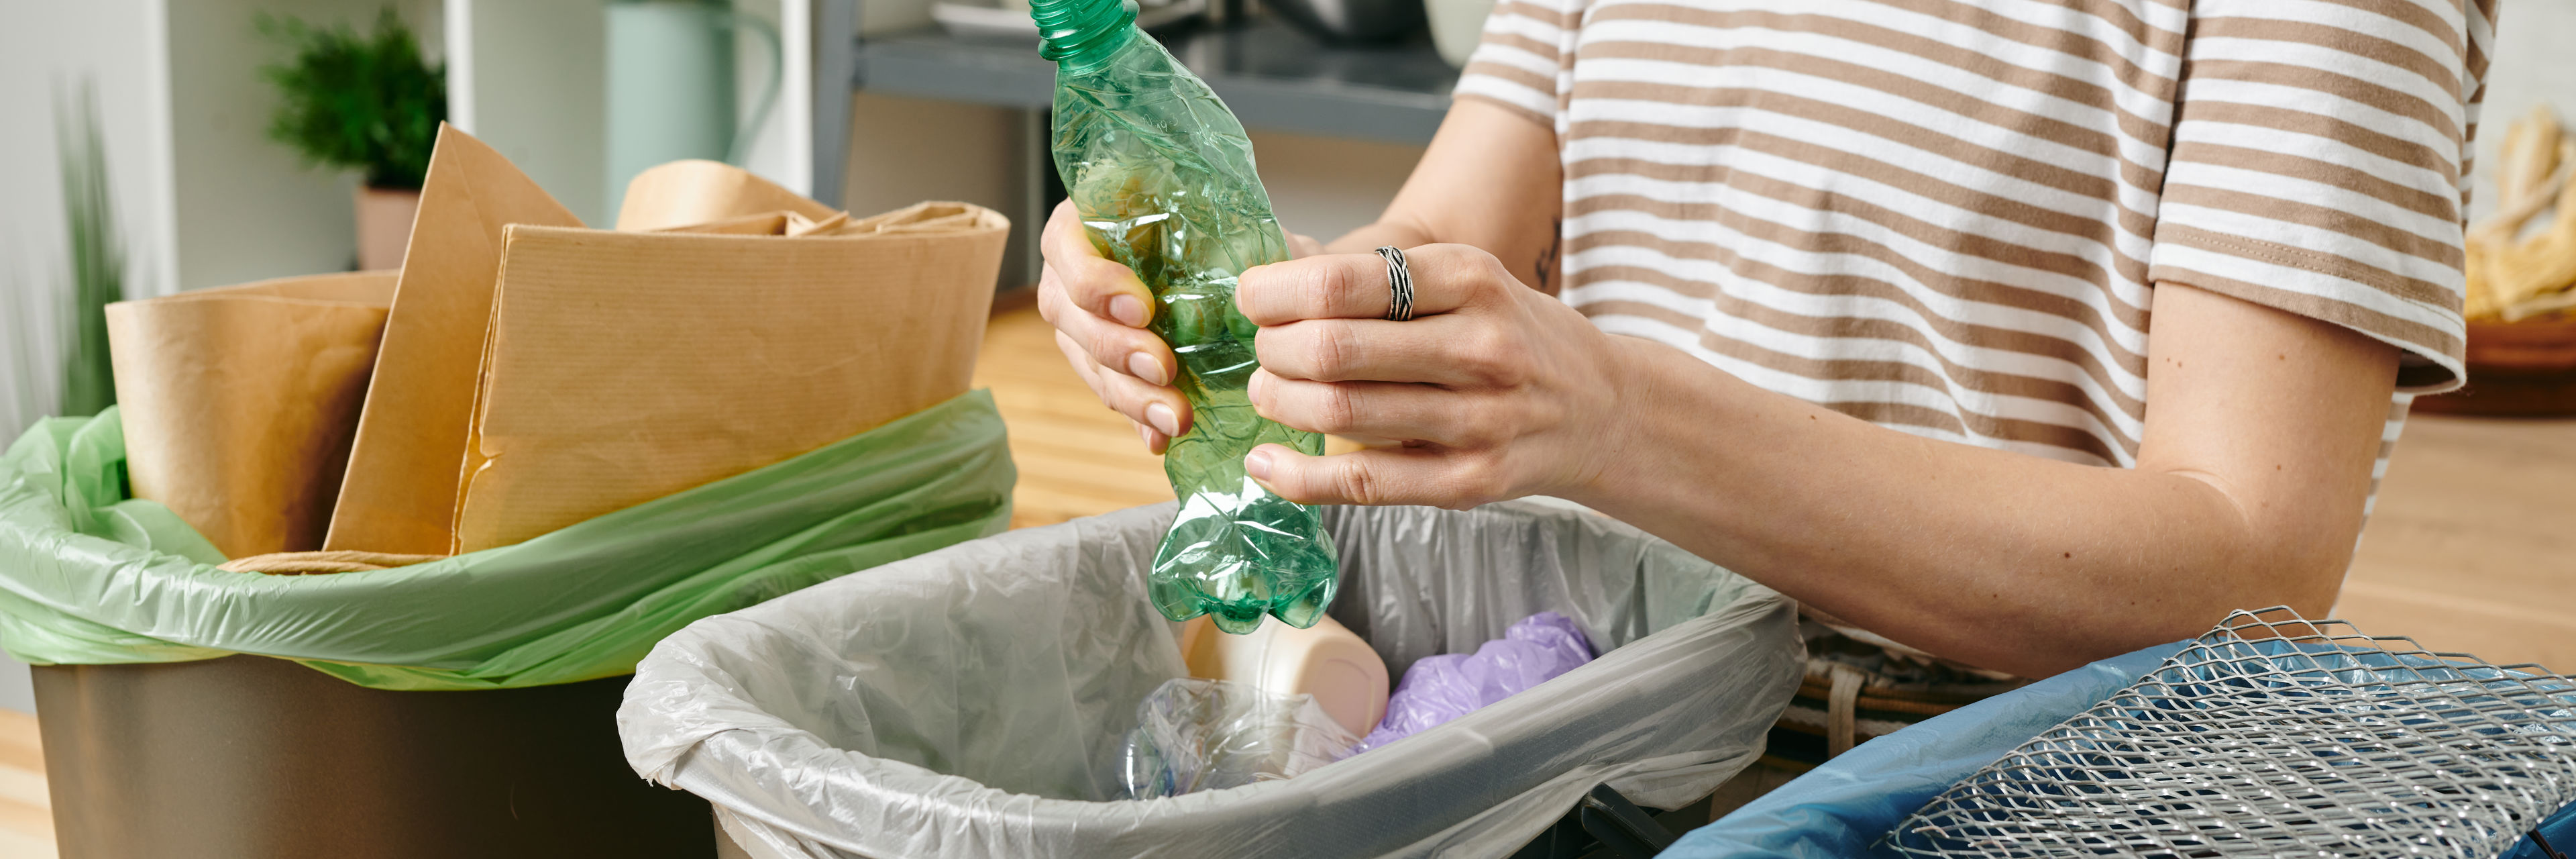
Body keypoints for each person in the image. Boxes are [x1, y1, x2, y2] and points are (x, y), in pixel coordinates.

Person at [1038, 0, 2493, 677]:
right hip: (1583, 709)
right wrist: (1232, 292)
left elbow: (2247, 565)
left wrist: (1619, 418)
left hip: (1993, 786)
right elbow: (1437, 255)